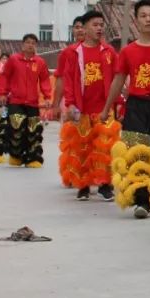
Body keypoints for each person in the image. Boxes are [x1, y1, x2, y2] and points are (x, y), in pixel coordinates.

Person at [102, 0, 150, 218]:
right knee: (138, 155)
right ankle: (142, 200)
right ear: (136, 20)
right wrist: (106, 109)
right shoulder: (128, 51)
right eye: (143, 15)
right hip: (137, 106)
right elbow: (118, 80)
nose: (148, 19)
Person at [60, 12, 119, 199]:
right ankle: (83, 185)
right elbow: (68, 80)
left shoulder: (109, 51)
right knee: (83, 148)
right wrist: (69, 104)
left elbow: (118, 78)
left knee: (106, 146)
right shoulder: (72, 53)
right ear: (84, 28)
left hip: (105, 108)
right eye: (95, 25)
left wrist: (119, 102)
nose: (99, 28)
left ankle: (105, 184)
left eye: (101, 24)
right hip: (82, 108)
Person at [0, 34, 52, 168]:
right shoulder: (14, 60)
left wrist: (47, 97)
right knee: (16, 128)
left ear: (36, 46)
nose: (30, 45)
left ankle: (33, 158)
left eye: (33, 43)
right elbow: (4, 76)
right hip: (16, 101)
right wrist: (2, 93)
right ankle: (16, 156)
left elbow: (45, 80)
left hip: (33, 102)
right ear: (23, 44)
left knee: (33, 130)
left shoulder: (40, 62)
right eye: (28, 42)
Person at [54, 15, 87, 186]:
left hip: (90, 102)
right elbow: (60, 78)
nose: (80, 30)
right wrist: (56, 104)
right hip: (70, 101)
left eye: (82, 26)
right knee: (71, 139)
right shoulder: (67, 52)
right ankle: (71, 174)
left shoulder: (99, 49)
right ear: (72, 31)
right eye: (76, 27)